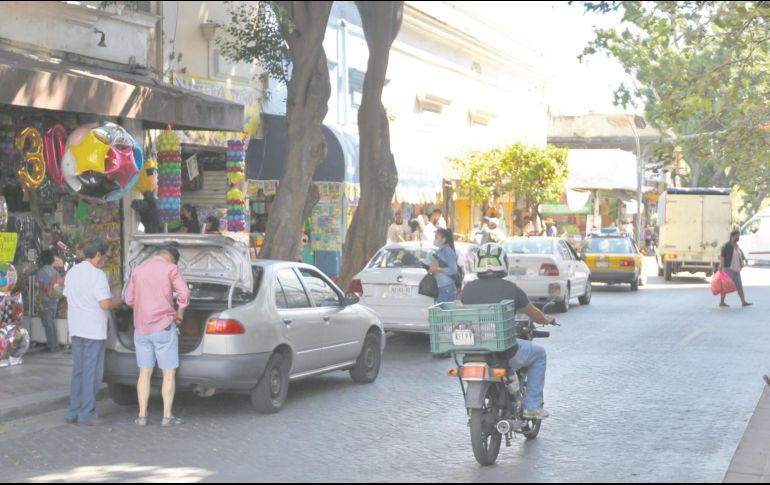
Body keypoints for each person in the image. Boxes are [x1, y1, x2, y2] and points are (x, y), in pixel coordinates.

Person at [461, 243, 556, 419]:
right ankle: (532, 406)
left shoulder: (467, 290)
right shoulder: (511, 289)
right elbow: (533, 313)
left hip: (474, 349)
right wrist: (546, 319)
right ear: (503, 263)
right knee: (540, 354)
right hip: (505, 351)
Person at [124, 246, 190, 427]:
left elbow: (128, 299)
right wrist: (180, 312)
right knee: (168, 373)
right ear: (173, 260)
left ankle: (142, 416)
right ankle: (167, 416)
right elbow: (184, 293)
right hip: (163, 327)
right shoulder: (171, 269)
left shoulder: (138, 270)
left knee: (144, 373)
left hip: (141, 329)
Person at [63, 239, 123, 426]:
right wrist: (120, 301)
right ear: (98, 254)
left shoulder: (72, 271)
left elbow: (67, 296)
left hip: (76, 327)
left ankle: (73, 411)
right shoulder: (98, 275)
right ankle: (87, 412)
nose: (105, 259)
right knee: (92, 373)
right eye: (104, 255)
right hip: (93, 330)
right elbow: (105, 304)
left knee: (78, 371)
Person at [36, 250, 63, 353]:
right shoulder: (55, 271)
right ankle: (55, 345)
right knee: (51, 323)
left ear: (42, 260)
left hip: (46, 300)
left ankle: (51, 346)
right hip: (54, 300)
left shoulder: (42, 271)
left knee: (48, 324)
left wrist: (39, 302)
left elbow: (41, 288)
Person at [719, 230, 752, 308]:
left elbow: (740, 255)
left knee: (739, 286)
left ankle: (743, 302)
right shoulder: (726, 246)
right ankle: (722, 302)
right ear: (732, 236)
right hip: (728, 269)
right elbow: (722, 256)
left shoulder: (737, 246)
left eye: (738, 236)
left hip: (736, 270)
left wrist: (742, 262)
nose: (738, 238)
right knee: (725, 286)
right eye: (737, 236)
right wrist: (721, 266)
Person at [430, 228, 458, 303]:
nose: (434, 240)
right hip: (440, 287)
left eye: (436, 237)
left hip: (447, 288)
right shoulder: (439, 251)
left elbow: (453, 270)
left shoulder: (447, 251)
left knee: (439, 312)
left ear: (443, 239)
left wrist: (437, 269)